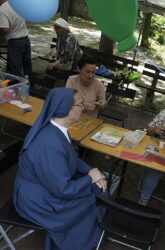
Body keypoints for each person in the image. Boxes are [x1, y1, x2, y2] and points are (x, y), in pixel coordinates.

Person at [13, 88, 107, 250]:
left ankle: (88, 237)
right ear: (66, 110)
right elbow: (63, 190)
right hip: (37, 202)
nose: (83, 107)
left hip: (46, 189)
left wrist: (91, 171)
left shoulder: (56, 130)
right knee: (93, 196)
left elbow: (71, 158)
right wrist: (91, 177)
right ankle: (75, 243)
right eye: (80, 104)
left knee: (100, 184)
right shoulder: (50, 144)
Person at [0, 0, 31, 76]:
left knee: (15, 71)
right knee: (27, 67)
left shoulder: (2, 9)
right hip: (25, 40)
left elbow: (6, 30)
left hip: (15, 43)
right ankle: (30, 85)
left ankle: (16, 87)